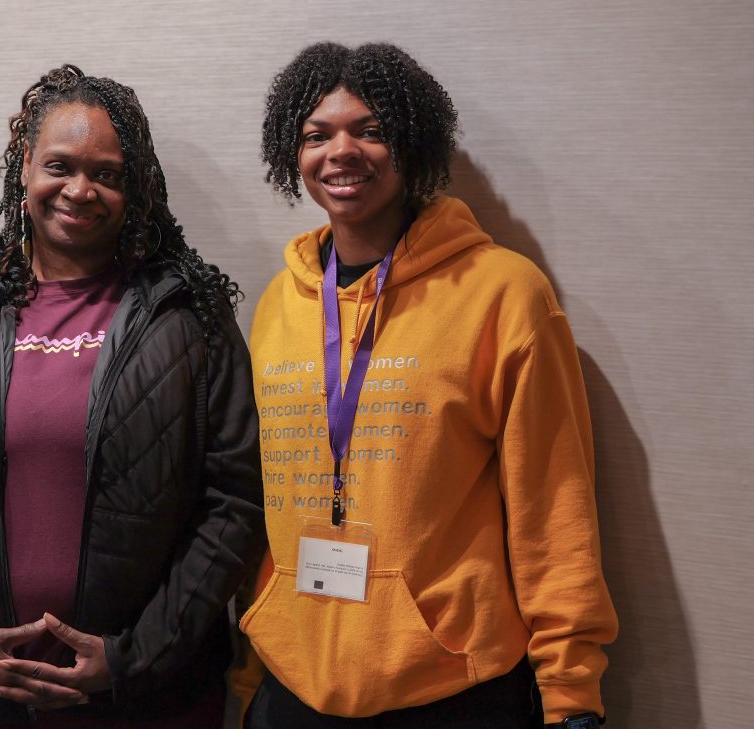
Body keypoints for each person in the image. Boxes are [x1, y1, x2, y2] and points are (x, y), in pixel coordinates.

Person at [0, 63, 265, 728]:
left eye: (107, 173)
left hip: (146, 702)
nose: (81, 189)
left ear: (138, 188)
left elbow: (235, 501)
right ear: (23, 169)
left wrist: (135, 656)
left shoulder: (191, 318)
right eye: (60, 165)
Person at [237, 43, 618, 729]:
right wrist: (249, 674)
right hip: (292, 692)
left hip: (451, 689)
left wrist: (571, 692)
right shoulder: (276, 306)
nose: (341, 151)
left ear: (413, 140)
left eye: (371, 129)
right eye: (316, 135)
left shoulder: (502, 293)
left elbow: (554, 505)